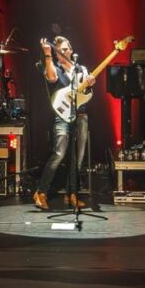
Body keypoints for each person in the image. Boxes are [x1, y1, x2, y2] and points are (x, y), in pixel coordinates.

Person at [33, 36, 93, 211]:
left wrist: (90, 84)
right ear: (56, 55)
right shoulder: (54, 68)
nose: (64, 53)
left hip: (81, 115)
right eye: (60, 51)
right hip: (62, 116)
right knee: (59, 154)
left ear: (71, 50)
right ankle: (41, 192)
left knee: (78, 158)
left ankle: (71, 194)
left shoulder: (81, 69)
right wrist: (48, 55)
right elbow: (51, 78)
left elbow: (87, 92)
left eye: (66, 49)